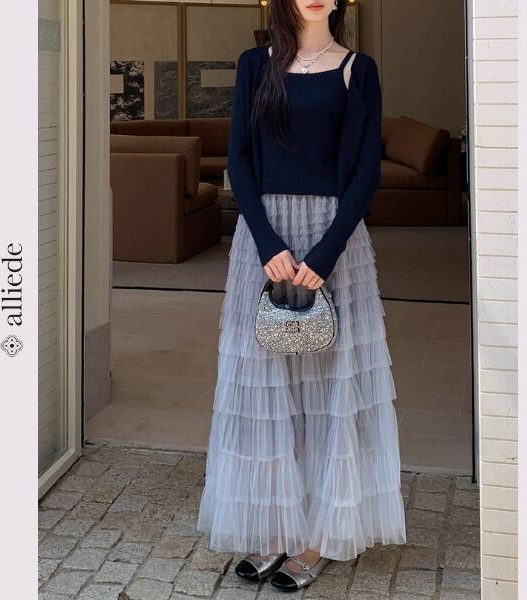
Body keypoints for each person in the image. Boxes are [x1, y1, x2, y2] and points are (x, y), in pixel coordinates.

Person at [197, 0, 406, 591]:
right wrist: (267, 244)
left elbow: (366, 171)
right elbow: (239, 159)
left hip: (331, 242)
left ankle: (316, 539)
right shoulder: (254, 65)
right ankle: (273, 528)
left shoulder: (357, 69)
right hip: (265, 242)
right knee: (267, 387)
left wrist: (325, 255)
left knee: (328, 389)